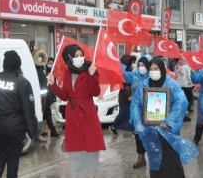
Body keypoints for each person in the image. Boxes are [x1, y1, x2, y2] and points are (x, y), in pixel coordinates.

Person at [130, 57, 199, 178]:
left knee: (171, 160)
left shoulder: (172, 84)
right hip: (150, 131)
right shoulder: (144, 85)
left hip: (168, 131)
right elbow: (135, 104)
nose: (153, 71)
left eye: (156, 68)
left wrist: (169, 121)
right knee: (155, 160)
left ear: (162, 69)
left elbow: (181, 102)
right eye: (151, 69)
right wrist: (138, 123)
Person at [48, 44, 105, 178]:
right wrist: (53, 85)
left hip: (87, 114)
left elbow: (95, 92)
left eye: (81, 55)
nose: (80, 58)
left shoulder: (89, 69)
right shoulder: (67, 73)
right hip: (73, 116)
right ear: (69, 58)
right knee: (76, 150)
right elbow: (64, 96)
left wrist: (92, 76)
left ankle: (91, 175)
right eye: (76, 56)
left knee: (91, 148)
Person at [0, 50, 39, 178]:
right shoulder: (22, 82)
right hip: (15, 129)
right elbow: (28, 110)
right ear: (18, 65)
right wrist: (33, 132)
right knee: (12, 159)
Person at [117, 53, 150, 168]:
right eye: (139, 65)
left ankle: (156, 157)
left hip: (150, 111)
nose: (141, 67)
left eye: (143, 65)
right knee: (138, 134)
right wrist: (116, 64)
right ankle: (141, 158)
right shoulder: (134, 76)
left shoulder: (153, 77)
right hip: (137, 111)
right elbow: (122, 75)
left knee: (151, 135)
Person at [33, 50, 59, 140]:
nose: (40, 59)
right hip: (40, 95)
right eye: (38, 57)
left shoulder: (42, 68)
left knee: (46, 112)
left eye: (42, 57)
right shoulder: (34, 69)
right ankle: (50, 130)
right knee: (45, 113)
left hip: (45, 95)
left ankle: (44, 130)